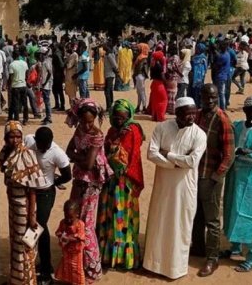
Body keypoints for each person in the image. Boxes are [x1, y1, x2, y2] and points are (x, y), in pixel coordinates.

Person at [143, 97, 207, 280]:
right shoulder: (162, 128)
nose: (192, 117)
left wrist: (169, 155)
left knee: (180, 225)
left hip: (185, 188)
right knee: (159, 222)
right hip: (163, 186)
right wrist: (176, 164)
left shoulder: (199, 135)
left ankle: (175, 269)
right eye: (188, 113)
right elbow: (152, 154)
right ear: (177, 113)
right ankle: (152, 264)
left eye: (194, 113)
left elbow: (193, 161)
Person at [222, 95, 252, 272]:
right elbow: (227, 147)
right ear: (245, 111)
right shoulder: (236, 126)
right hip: (235, 177)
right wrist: (241, 151)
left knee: (251, 217)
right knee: (232, 211)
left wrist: (239, 152)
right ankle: (235, 248)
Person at [65, 98, 113, 283]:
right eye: (84, 121)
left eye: (90, 121)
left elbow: (89, 164)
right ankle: (80, 264)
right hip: (80, 181)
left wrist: (78, 158)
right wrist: (80, 157)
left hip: (91, 184)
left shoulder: (97, 135)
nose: (86, 125)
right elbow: (69, 151)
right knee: (78, 222)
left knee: (87, 226)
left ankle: (93, 268)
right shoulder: (79, 130)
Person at [192, 83, 235, 277]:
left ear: (218, 97)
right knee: (197, 215)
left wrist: (217, 177)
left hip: (211, 176)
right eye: (206, 97)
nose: (210, 100)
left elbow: (229, 154)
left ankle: (212, 258)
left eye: (213, 97)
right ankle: (198, 247)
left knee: (212, 220)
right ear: (200, 97)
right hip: (195, 174)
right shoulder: (199, 115)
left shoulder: (222, 119)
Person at [98, 99, 145, 270]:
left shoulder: (132, 130)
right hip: (111, 181)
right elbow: (105, 151)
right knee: (111, 215)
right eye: (115, 117)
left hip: (125, 182)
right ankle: (109, 254)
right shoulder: (112, 130)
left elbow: (125, 158)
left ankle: (125, 257)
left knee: (123, 216)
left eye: (121, 117)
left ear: (129, 115)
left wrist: (114, 146)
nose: (118, 120)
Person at [0, 121, 45, 284]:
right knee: (16, 243)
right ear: (5, 138)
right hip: (13, 206)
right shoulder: (6, 153)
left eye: (18, 136)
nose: (15, 140)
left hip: (24, 208)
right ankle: (16, 279)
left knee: (24, 246)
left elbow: (32, 190)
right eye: (11, 136)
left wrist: (31, 217)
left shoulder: (26, 155)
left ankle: (26, 281)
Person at [23, 127, 72, 284]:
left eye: (46, 146)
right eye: (41, 145)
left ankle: (46, 268)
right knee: (27, 224)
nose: (43, 149)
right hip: (29, 191)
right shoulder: (30, 140)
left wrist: (53, 182)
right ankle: (30, 262)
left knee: (39, 226)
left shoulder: (58, 154)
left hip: (45, 193)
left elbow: (67, 176)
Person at [54, 200, 86, 285]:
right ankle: (68, 280)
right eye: (66, 216)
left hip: (76, 253)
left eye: (71, 217)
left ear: (77, 214)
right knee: (66, 266)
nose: (68, 219)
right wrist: (61, 236)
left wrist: (69, 238)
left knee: (77, 268)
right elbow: (58, 232)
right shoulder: (63, 222)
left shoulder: (80, 224)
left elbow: (80, 237)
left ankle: (78, 282)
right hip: (66, 250)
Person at [8, 50, 29, 124]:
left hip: (15, 86)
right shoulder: (24, 63)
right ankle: (25, 119)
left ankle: (17, 119)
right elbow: (27, 74)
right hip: (23, 85)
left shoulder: (12, 65)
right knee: (24, 103)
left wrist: (9, 86)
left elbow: (10, 77)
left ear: (13, 56)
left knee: (16, 104)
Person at [148, 50, 168, 122]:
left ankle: (155, 116)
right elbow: (162, 77)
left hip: (154, 84)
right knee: (163, 101)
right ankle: (160, 117)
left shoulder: (152, 64)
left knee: (155, 101)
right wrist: (166, 83)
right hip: (160, 85)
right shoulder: (159, 66)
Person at [212, 41, 231, 110]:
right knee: (222, 93)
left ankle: (221, 108)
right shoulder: (227, 54)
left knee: (220, 94)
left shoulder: (222, 57)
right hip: (224, 76)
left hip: (220, 76)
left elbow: (215, 66)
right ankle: (223, 108)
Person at [165, 44, 182, 114]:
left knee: (171, 93)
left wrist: (167, 69)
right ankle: (172, 109)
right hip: (174, 77)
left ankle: (171, 109)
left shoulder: (173, 58)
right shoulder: (177, 57)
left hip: (172, 77)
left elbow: (172, 67)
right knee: (172, 93)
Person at [133, 43, 149, 113]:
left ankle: (144, 107)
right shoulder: (140, 57)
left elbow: (141, 69)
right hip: (139, 76)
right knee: (139, 92)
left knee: (141, 92)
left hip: (140, 76)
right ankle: (138, 106)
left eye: (139, 48)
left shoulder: (143, 58)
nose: (137, 49)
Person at [39, 50, 53, 125]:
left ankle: (49, 117)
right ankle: (47, 116)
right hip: (45, 84)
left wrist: (44, 83)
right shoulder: (45, 62)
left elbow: (50, 73)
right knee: (46, 101)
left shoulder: (45, 62)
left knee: (47, 102)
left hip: (46, 86)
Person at [103, 44, 118, 110]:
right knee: (109, 90)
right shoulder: (108, 54)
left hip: (110, 75)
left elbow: (114, 65)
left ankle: (109, 107)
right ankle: (110, 105)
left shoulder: (109, 55)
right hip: (108, 74)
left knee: (107, 91)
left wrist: (117, 72)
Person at [52, 43, 66, 111]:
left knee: (58, 90)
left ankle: (61, 105)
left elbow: (61, 65)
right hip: (58, 74)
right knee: (55, 90)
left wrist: (58, 72)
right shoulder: (57, 53)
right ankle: (58, 104)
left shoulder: (57, 54)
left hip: (58, 74)